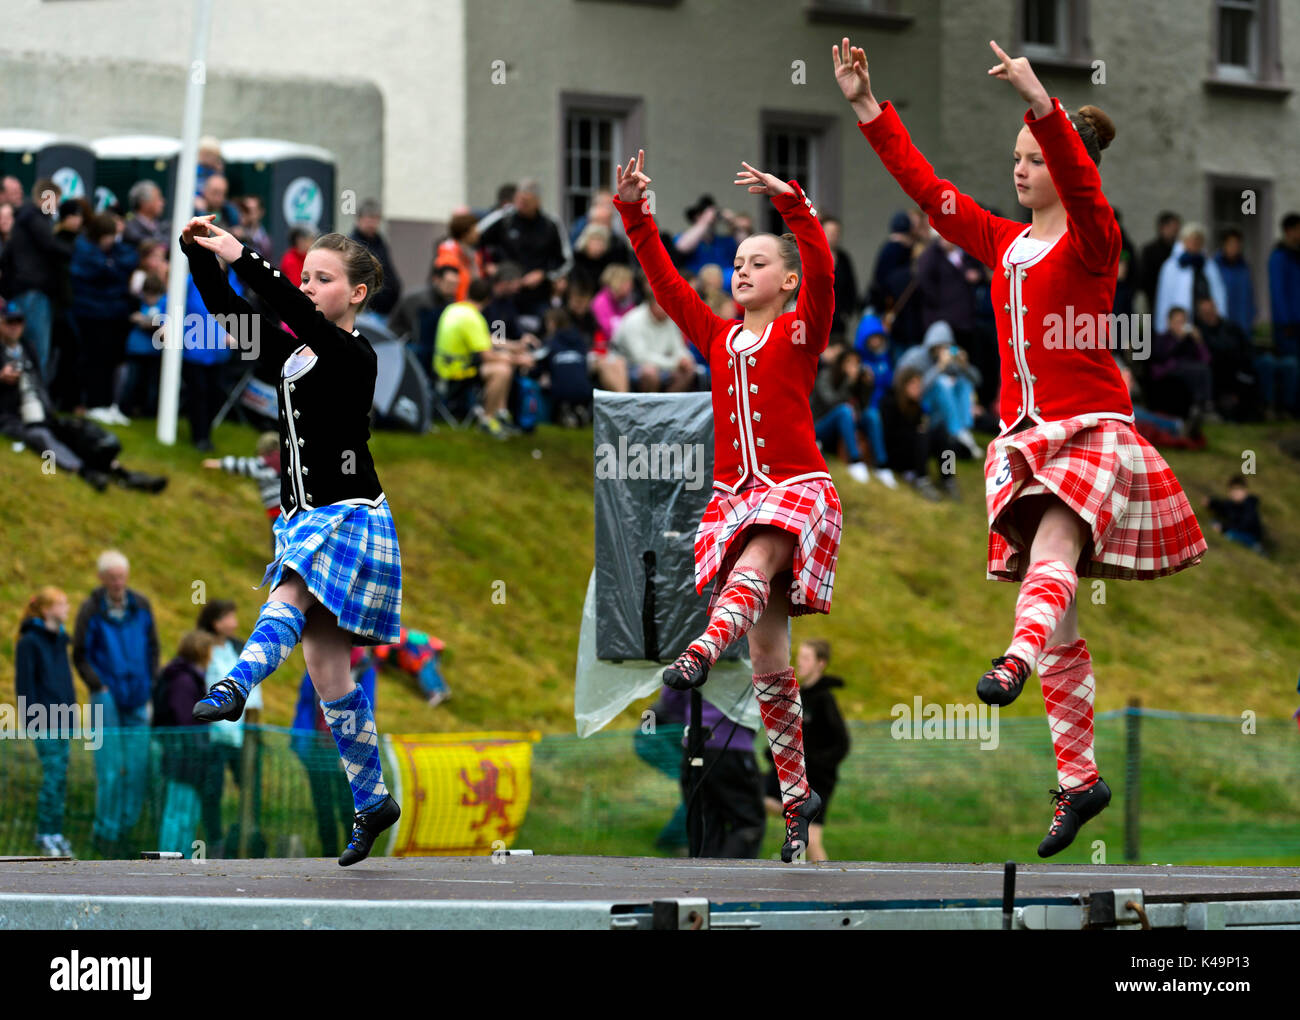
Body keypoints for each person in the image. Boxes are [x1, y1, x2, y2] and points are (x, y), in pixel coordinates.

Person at [840, 36, 1206, 856]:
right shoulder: (1006, 245)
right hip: (1022, 439)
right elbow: (931, 196)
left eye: (1031, 158)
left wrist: (1042, 100)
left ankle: (1011, 660)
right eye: (1014, 158)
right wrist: (868, 107)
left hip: (1093, 429)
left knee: (1052, 543)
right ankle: (1080, 780)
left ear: (1064, 163)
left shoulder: (1094, 240)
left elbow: (1081, 180)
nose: (1019, 170)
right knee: (1065, 613)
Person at [614, 149, 840, 862]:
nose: (742, 270)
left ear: (788, 279)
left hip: (795, 490)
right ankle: (798, 801)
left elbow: (827, 274)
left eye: (758, 261)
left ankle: (702, 649)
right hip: (735, 498)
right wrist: (635, 214)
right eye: (737, 261)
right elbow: (665, 284)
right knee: (770, 655)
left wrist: (795, 209)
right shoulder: (717, 336)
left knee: (763, 551)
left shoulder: (801, 330)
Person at [180, 212, 402, 866]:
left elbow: (286, 308)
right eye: (305, 277)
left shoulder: (353, 354)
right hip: (305, 517)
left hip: (349, 514)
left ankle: (237, 685)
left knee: (291, 589)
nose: (308, 287)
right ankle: (372, 799)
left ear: (357, 293)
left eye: (323, 278)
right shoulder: (296, 353)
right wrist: (199, 255)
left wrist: (242, 252)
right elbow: (228, 308)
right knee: (325, 669)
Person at [71, 550, 160, 858]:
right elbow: (79, 653)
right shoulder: (90, 609)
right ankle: (105, 833)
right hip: (106, 698)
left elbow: (153, 648)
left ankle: (125, 830)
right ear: (102, 579)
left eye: (122, 576)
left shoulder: (142, 606)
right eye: (112, 578)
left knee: (136, 768)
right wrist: (99, 686)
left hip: (138, 696)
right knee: (109, 768)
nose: (118, 582)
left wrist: (150, 686)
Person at [763, 639, 849, 863]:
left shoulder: (824, 700)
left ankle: (828, 886)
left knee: (813, 839)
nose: (799, 662)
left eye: (806, 658)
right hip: (794, 774)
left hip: (818, 779)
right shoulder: (798, 695)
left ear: (820, 663)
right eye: (798, 656)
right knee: (755, 798)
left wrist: (815, 764)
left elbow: (842, 744)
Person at [658, 686, 765, 859]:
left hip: (694, 745)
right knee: (748, 824)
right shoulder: (744, 659)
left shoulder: (688, 658)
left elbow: (671, 695)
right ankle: (733, 878)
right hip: (734, 746)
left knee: (704, 824)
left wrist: (690, 716)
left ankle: (706, 879)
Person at [15, 586, 77, 858]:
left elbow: (65, 682)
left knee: (61, 776)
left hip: (64, 718)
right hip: (44, 719)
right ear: (46, 609)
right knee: (52, 776)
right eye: (61, 604)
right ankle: (45, 831)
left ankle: (56, 831)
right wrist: (31, 718)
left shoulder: (61, 639)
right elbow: (25, 684)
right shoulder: (29, 642)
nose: (67, 609)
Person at [435, 277, 534, 435]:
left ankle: (500, 414)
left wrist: (516, 346)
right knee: (501, 370)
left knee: (504, 364)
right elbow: (488, 356)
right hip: (455, 373)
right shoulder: (474, 318)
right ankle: (487, 420)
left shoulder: (454, 309)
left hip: (442, 368)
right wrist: (518, 359)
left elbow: (486, 339)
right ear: (488, 300)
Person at [153, 629, 220, 856]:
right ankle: (171, 854)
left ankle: (180, 854)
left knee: (187, 812)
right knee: (178, 811)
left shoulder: (188, 677)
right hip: (183, 757)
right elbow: (185, 719)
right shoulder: (184, 680)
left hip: (188, 757)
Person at [203, 432, 282, 555]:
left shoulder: (268, 462)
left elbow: (243, 465)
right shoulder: (285, 461)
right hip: (286, 510)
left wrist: (217, 463)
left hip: (278, 511)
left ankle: (281, 572)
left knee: (277, 546)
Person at [609, 288, 698, 393]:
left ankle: (667, 406)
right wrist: (675, 363)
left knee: (689, 371)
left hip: (660, 365)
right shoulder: (633, 320)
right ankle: (648, 408)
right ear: (652, 303)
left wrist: (685, 359)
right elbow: (640, 357)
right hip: (628, 366)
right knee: (649, 372)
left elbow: (678, 348)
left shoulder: (670, 318)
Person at [1265, 212, 1300, 418]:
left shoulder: (1295, 256)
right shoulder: (1279, 257)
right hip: (1287, 325)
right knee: (1291, 364)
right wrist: (1286, 321)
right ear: (1289, 231)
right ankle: (1288, 407)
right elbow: (1278, 292)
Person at [350, 199, 403, 316]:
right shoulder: (353, 245)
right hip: (368, 310)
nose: (372, 223)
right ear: (359, 219)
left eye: (375, 218)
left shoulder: (380, 241)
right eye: (369, 218)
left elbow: (388, 269)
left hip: (387, 308)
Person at [1213, 227, 1256, 339]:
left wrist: (1252, 315)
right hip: (1223, 323)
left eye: (1237, 244)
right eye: (1231, 244)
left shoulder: (1244, 267)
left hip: (1243, 321)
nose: (1235, 247)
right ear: (1223, 244)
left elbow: (1249, 294)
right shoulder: (1214, 267)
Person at [1204, 475, 1263, 552]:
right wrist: (1211, 503)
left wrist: (1223, 528)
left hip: (1250, 537)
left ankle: (1257, 549)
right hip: (1234, 531)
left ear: (1245, 491)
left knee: (1230, 535)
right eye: (1233, 490)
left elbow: (1244, 525)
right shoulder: (1231, 504)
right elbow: (1221, 506)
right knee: (1213, 522)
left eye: (1239, 489)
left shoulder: (1250, 506)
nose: (1236, 493)